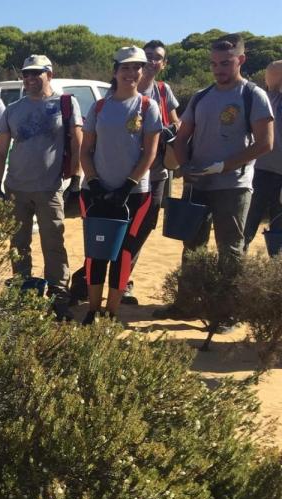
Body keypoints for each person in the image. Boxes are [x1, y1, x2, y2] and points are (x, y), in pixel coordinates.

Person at [156, 34, 275, 324]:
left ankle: (226, 313)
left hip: (233, 187)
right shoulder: (201, 96)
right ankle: (186, 304)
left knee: (230, 250)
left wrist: (223, 166)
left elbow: (265, 143)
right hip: (198, 184)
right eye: (213, 64)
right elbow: (182, 138)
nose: (218, 69)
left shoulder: (252, 95)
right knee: (192, 245)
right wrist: (186, 166)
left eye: (225, 63)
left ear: (241, 60)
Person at [0, 55, 82, 321]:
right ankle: (24, 292)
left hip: (49, 187)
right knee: (18, 244)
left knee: (53, 242)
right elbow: (1, 150)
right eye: (26, 74)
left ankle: (58, 298)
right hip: (16, 187)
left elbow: (77, 141)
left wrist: (76, 178)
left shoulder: (65, 104)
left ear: (49, 75)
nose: (30, 79)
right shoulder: (14, 109)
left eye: (36, 74)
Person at [79, 47, 162, 324]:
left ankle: (111, 313)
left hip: (134, 195)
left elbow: (150, 153)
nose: (131, 73)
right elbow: (86, 149)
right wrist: (94, 183)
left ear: (143, 71)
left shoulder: (148, 107)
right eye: (125, 67)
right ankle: (93, 309)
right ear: (115, 71)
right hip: (96, 192)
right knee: (96, 251)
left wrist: (127, 185)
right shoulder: (99, 107)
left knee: (123, 253)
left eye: (136, 67)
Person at [116, 40, 182, 305]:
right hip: (121, 175)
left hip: (155, 175)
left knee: (142, 228)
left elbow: (177, 124)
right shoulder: (120, 91)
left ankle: (123, 281)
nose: (154, 62)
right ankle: (108, 279)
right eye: (150, 57)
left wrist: (170, 131)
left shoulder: (164, 92)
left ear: (163, 64)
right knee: (117, 227)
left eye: (159, 58)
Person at [243, 60, 282, 250]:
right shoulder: (270, 97)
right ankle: (234, 272)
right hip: (259, 171)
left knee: (279, 233)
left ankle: (274, 277)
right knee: (245, 228)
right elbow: (274, 70)